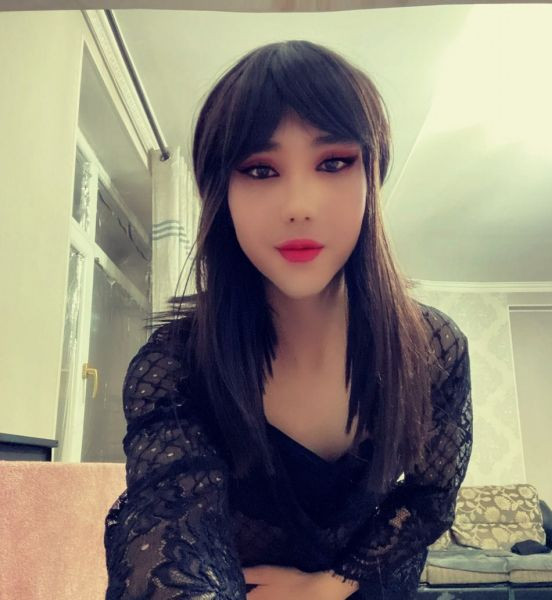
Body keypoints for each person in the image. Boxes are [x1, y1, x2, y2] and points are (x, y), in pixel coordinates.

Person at [103, 40, 473, 600]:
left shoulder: (434, 348)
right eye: (260, 169)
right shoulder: (176, 365)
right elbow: (169, 530)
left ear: (372, 177)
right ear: (220, 193)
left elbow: (429, 497)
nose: (299, 205)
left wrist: (329, 585)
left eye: (333, 162)